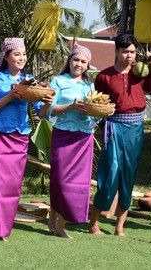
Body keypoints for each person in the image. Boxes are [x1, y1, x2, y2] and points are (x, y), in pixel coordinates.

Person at [88, 33, 151, 236]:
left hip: (135, 130)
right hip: (113, 129)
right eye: (125, 51)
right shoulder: (104, 76)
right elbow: (96, 105)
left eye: (133, 52)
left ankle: (119, 227)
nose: (129, 55)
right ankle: (93, 223)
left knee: (128, 176)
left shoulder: (141, 74)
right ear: (116, 51)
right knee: (109, 176)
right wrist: (104, 126)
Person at [0, 37, 51, 241]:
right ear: (7, 56)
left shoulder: (30, 80)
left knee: (12, 185)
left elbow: (41, 114)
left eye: (24, 54)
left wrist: (47, 101)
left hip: (21, 137)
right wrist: (11, 95)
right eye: (16, 54)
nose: (21, 58)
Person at [42, 44, 96, 239]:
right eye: (76, 60)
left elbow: (95, 111)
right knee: (60, 180)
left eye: (83, 62)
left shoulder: (90, 86)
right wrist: (71, 107)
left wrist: (99, 112)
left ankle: (60, 225)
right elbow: (50, 110)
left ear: (88, 65)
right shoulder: (58, 81)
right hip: (63, 135)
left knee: (78, 183)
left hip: (84, 137)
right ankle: (53, 216)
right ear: (69, 61)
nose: (78, 64)